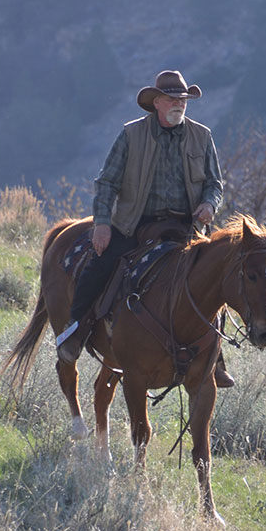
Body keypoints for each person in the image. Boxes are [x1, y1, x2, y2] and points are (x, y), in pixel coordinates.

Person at [56, 69, 234, 386]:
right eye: (172, 99)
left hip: (186, 227)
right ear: (156, 103)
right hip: (135, 225)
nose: (179, 104)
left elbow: (214, 184)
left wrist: (209, 204)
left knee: (212, 278)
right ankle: (77, 330)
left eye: (183, 99)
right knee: (101, 264)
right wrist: (102, 224)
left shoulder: (202, 136)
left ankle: (215, 360)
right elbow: (106, 182)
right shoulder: (130, 135)